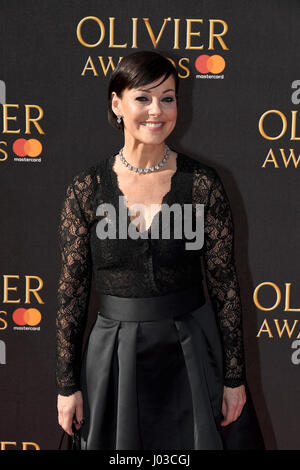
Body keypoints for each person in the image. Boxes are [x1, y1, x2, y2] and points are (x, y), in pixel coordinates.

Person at [56, 50, 264, 450]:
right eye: (143, 98)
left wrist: (234, 378)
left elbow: (225, 288)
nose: (157, 110)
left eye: (168, 98)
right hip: (113, 358)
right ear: (117, 104)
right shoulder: (86, 188)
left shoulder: (202, 184)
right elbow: (72, 291)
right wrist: (67, 385)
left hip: (190, 354)